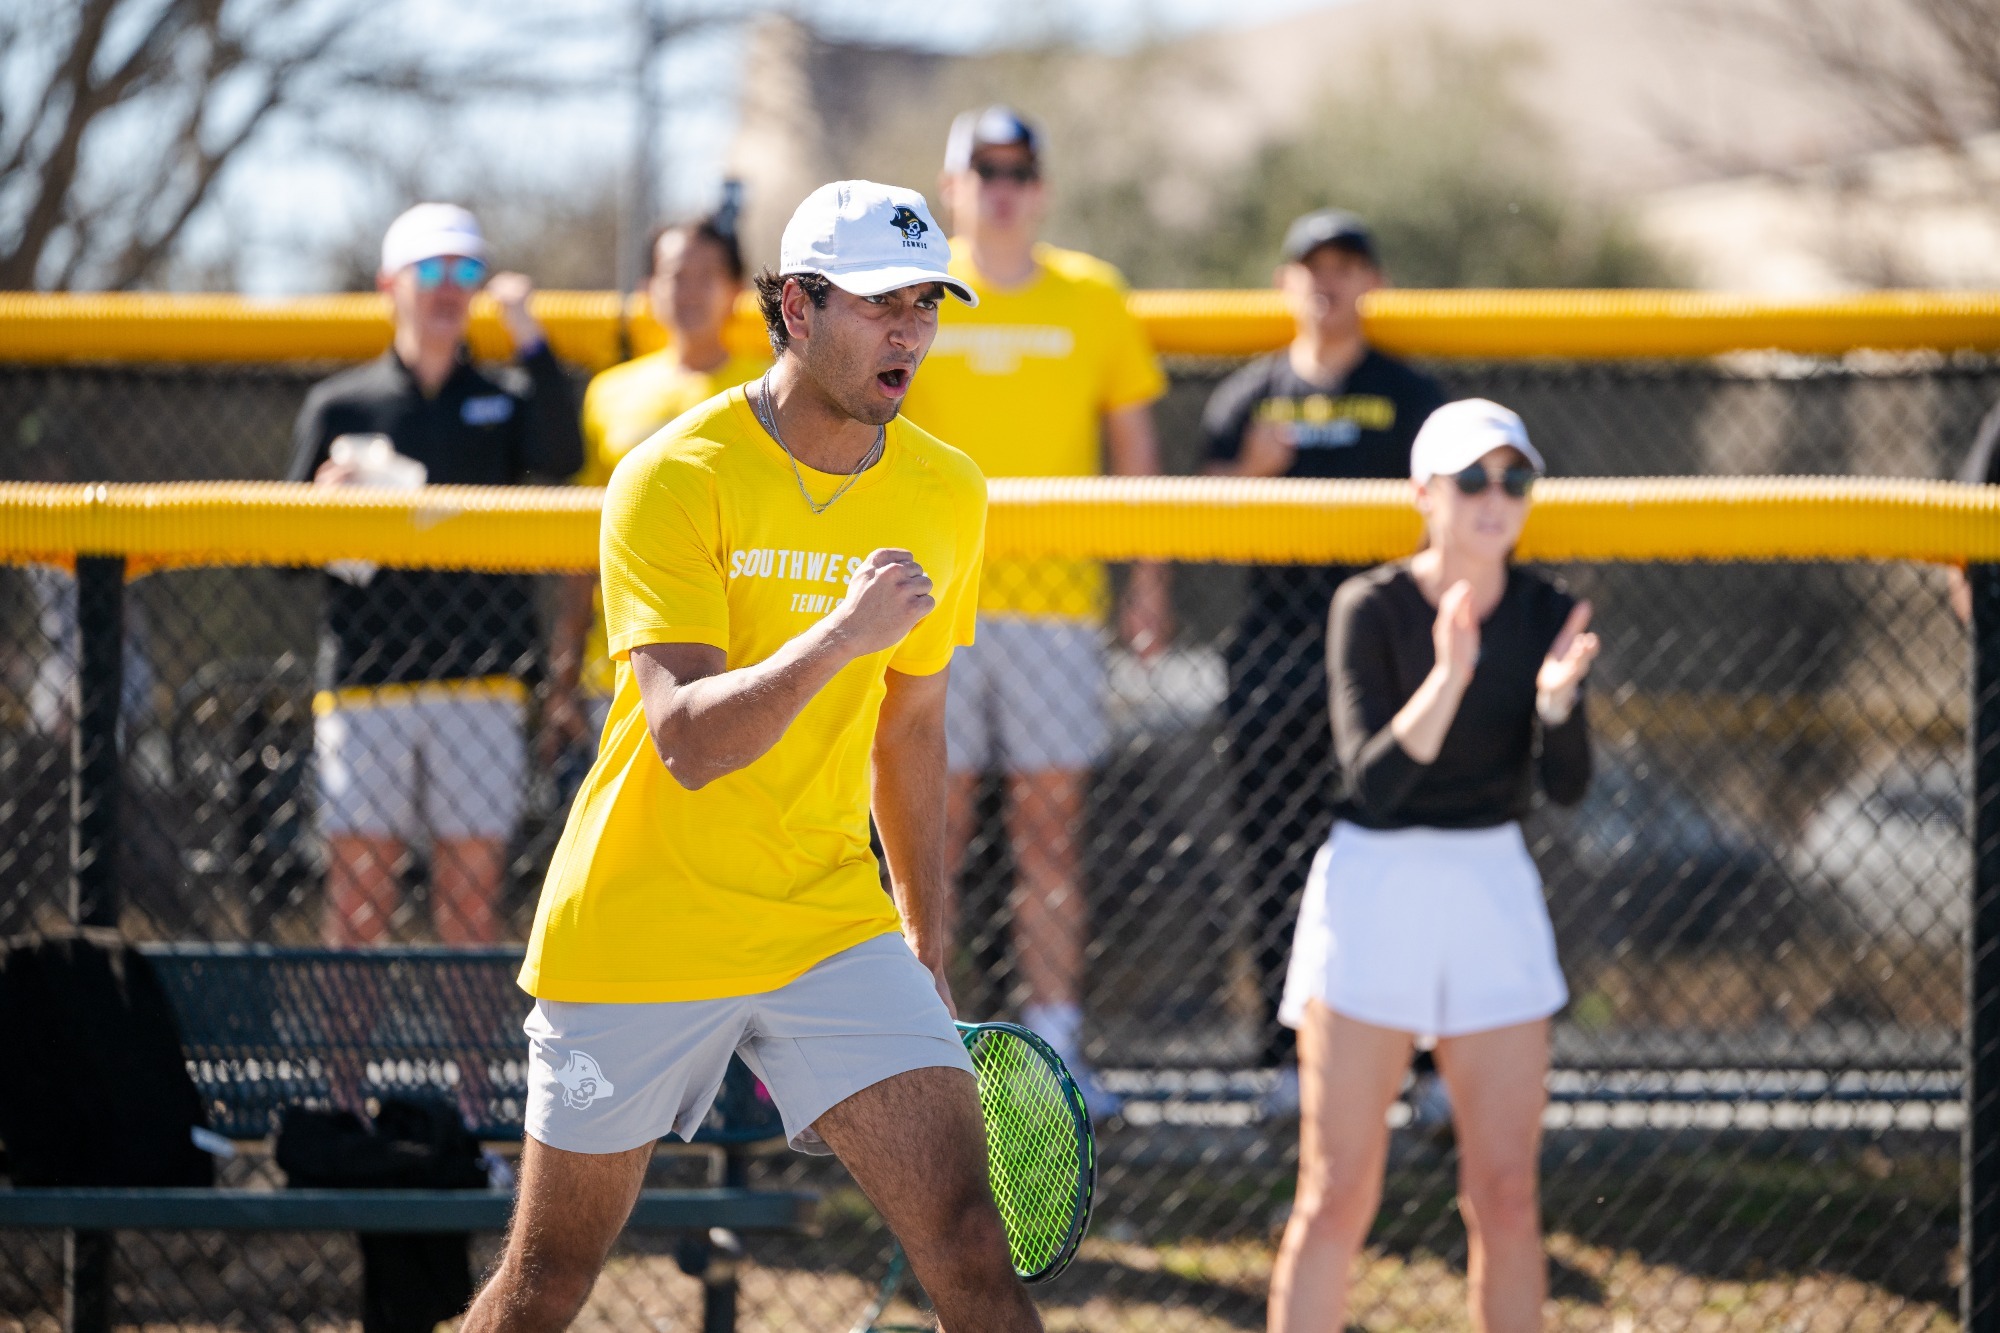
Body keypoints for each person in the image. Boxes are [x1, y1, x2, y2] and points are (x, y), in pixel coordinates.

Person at [462, 180, 1039, 1333]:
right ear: (796, 304)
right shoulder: (672, 475)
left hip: (826, 918)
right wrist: (842, 633)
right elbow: (683, 741)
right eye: (880, 303)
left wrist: (924, 938)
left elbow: (911, 725)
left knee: (973, 1247)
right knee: (544, 1287)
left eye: (925, 303)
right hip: (639, 923)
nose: (910, 333)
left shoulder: (945, 487)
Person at [1267, 399, 1599, 1333]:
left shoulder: (1544, 610)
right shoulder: (1368, 606)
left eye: (1514, 478)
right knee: (1336, 1193)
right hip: (1376, 887)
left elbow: (1565, 789)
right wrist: (1450, 674)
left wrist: (1560, 706)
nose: (1496, 498)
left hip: (1489, 885)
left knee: (1504, 1194)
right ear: (1424, 493)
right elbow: (1373, 783)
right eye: (1472, 478)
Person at [899, 106, 1170, 1113]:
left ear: (1040, 187)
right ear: (952, 183)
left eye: (1019, 169)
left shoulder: (1093, 296)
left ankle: (1053, 1045)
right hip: (933, 603)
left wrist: (1147, 579)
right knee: (933, 828)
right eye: (985, 167)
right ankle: (925, 1042)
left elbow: (1133, 446)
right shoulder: (915, 293)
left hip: (1058, 606)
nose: (1003, 185)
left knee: (1048, 831)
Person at [289, 203, 584, 946]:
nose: (450, 286)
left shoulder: (504, 396)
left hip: (479, 680)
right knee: (357, 908)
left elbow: (562, 453)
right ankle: (341, 1072)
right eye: (432, 269)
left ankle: (473, 1071)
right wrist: (321, 508)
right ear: (392, 281)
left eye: (467, 271)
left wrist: (529, 334)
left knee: (472, 909)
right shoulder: (339, 402)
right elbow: (283, 558)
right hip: (365, 679)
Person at [1201, 209, 1446, 1087]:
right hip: (1272, 659)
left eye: (1347, 265)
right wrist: (1249, 477)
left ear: (1372, 282)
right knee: (1276, 857)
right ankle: (1284, 1062)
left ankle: (1412, 1065)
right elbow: (1193, 521)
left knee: (1403, 851)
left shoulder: (1416, 398)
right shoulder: (1244, 398)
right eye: (1311, 265)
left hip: (1388, 661)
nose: (1328, 281)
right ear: (1285, 282)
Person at [546, 210, 770, 767]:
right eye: (674, 274)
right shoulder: (610, 393)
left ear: (734, 289)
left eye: (706, 275)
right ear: (648, 288)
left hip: (748, 664)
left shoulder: (769, 390)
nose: (689, 290)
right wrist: (564, 671)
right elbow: (585, 548)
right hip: (621, 666)